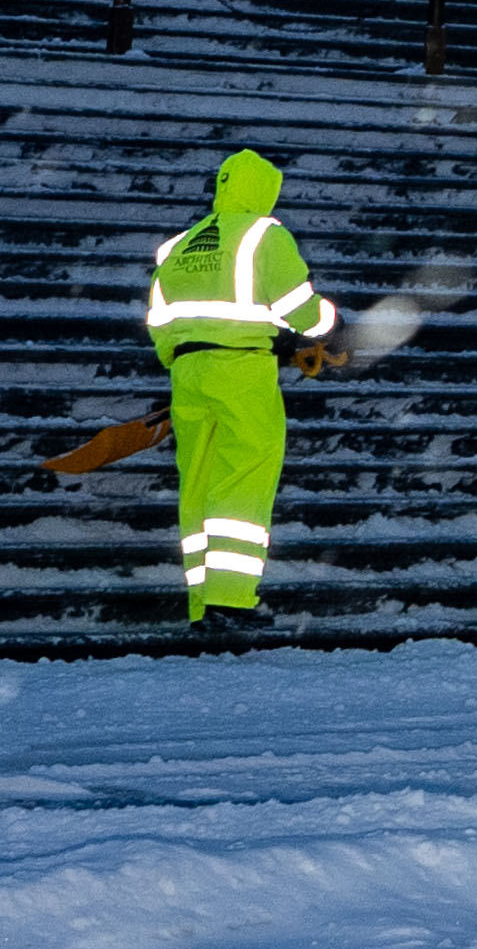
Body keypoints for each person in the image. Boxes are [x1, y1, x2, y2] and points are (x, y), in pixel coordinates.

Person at [140, 147, 336, 618]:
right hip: (243, 371)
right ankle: (232, 600)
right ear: (266, 191)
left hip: (188, 372)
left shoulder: (179, 245)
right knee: (242, 478)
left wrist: (184, 361)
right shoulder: (263, 234)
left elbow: (160, 321)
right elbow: (300, 309)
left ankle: (200, 604)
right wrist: (329, 325)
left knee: (199, 484)